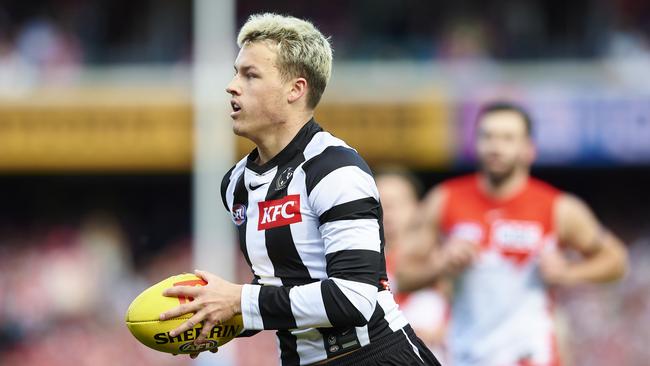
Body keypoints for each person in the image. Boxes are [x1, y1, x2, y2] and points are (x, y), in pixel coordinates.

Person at [159, 13, 440, 366]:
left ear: (296, 89)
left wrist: (239, 301)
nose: (232, 86)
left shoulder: (335, 169)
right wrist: (217, 316)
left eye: (250, 75)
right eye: (235, 72)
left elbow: (354, 297)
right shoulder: (236, 184)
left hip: (373, 355)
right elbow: (282, 287)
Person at [396, 101, 628, 366]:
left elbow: (617, 261)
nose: (496, 147)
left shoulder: (558, 207)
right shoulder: (445, 199)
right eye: (487, 137)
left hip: (532, 356)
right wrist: (442, 263)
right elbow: (403, 277)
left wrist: (567, 272)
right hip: (467, 356)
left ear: (529, 150)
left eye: (507, 138)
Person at [375, 168, 449, 362]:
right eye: (380, 203)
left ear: (418, 208)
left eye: (397, 203)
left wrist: (444, 332)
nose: (388, 211)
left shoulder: (445, 259)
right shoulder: (351, 267)